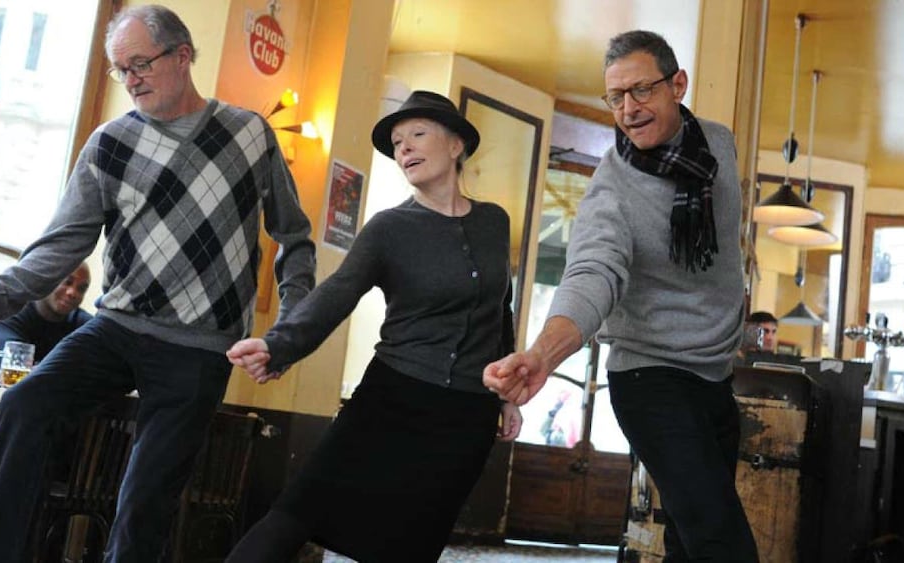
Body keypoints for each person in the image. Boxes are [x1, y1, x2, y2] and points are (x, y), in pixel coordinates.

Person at [0, 5, 316, 562]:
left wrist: (292, 331)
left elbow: (295, 237)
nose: (130, 79)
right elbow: (63, 244)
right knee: (24, 403)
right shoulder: (109, 144)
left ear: (182, 56)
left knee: (145, 501)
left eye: (140, 64)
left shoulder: (250, 134)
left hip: (200, 348)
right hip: (115, 329)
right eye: (120, 69)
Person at [483, 30, 758, 561]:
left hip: (715, 373)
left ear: (678, 85)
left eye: (641, 91)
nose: (628, 110)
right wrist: (542, 353)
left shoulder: (717, 144)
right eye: (615, 97)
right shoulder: (612, 188)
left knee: (689, 538)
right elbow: (592, 274)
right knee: (723, 543)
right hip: (649, 376)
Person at [224, 90, 522, 563]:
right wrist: (278, 345)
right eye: (398, 143)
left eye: (417, 134)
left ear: (456, 145)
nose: (404, 148)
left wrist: (506, 395)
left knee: (413, 544)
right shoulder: (388, 229)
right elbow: (337, 292)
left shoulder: (493, 222)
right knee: (295, 514)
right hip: (391, 400)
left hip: (466, 416)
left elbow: (498, 310)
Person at [0, 263, 93, 466]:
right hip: (0, 414)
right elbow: (6, 353)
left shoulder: (84, 324)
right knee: (10, 439)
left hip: (48, 422)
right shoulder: (11, 312)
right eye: (67, 282)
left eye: (81, 288)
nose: (72, 292)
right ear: (49, 280)